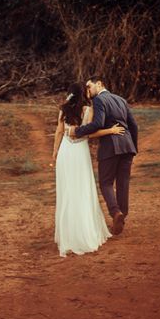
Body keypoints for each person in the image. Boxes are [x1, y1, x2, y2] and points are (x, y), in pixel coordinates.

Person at [52, 82, 125, 257]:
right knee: (83, 191)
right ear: (82, 94)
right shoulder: (87, 110)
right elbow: (90, 133)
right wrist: (110, 130)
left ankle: (69, 235)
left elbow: (59, 132)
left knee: (67, 192)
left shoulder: (63, 110)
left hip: (65, 153)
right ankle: (84, 232)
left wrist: (54, 154)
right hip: (79, 154)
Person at [71, 75, 138, 235]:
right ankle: (121, 217)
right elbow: (133, 125)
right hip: (127, 147)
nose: (88, 90)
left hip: (110, 147)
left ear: (99, 84)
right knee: (123, 183)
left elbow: (98, 124)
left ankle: (115, 213)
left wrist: (78, 131)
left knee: (106, 183)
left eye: (89, 86)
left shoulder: (100, 100)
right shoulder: (121, 100)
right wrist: (133, 147)